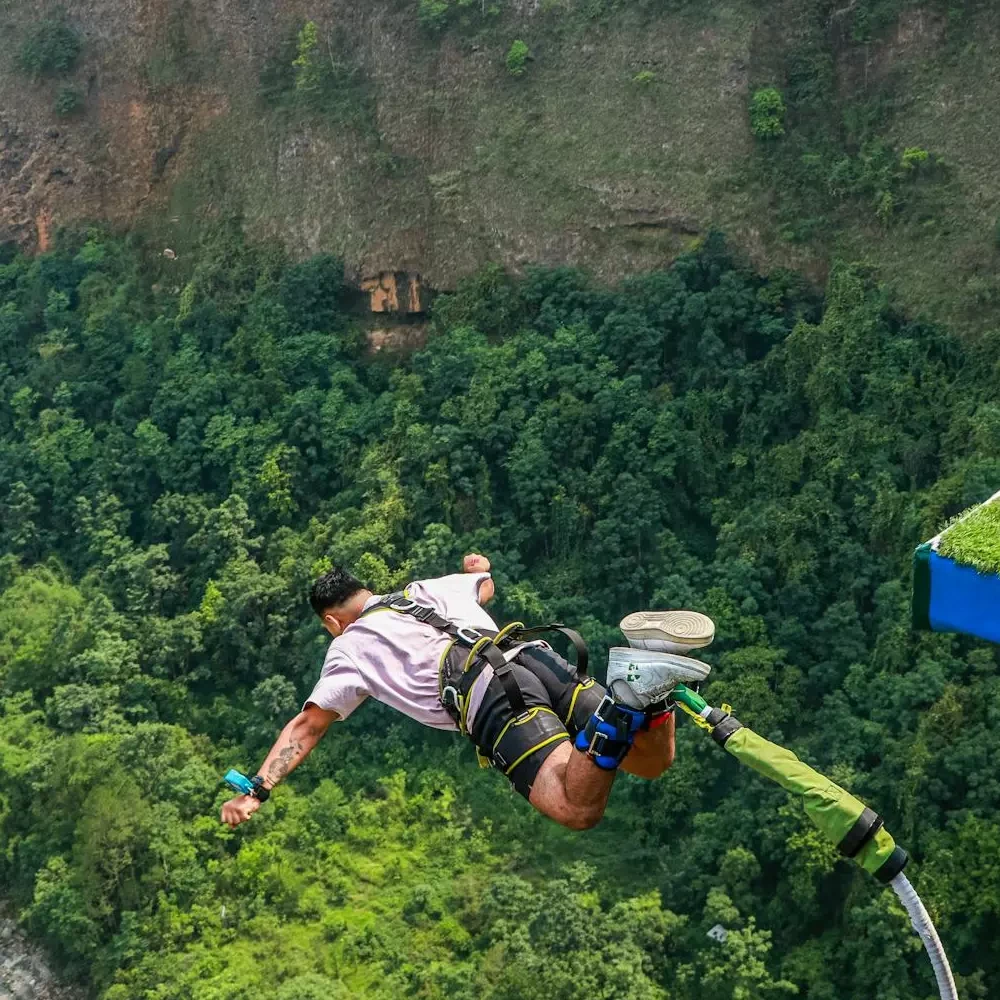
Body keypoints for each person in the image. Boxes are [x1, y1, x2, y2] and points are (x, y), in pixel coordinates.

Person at [220, 554, 713, 831]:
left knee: (576, 807)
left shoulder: (348, 647)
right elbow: (485, 584)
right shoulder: (424, 590)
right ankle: (648, 680)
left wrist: (258, 790)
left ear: (332, 620)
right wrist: (476, 564)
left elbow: (307, 726)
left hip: (492, 695)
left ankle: (627, 697)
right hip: (536, 656)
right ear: (365, 592)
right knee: (650, 762)